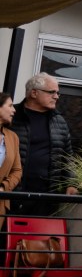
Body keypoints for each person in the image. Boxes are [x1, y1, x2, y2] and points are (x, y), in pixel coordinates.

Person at [10, 73, 77, 214]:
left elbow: (68, 156)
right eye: (51, 92)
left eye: (58, 93)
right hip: (11, 195)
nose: (57, 96)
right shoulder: (12, 116)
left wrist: (71, 183)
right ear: (34, 93)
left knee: (39, 236)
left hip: (46, 199)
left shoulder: (59, 121)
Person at [0, 92, 23, 223]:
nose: (14, 110)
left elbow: (17, 171)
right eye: (10, 105)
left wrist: (4, 187)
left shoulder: (12, 137)